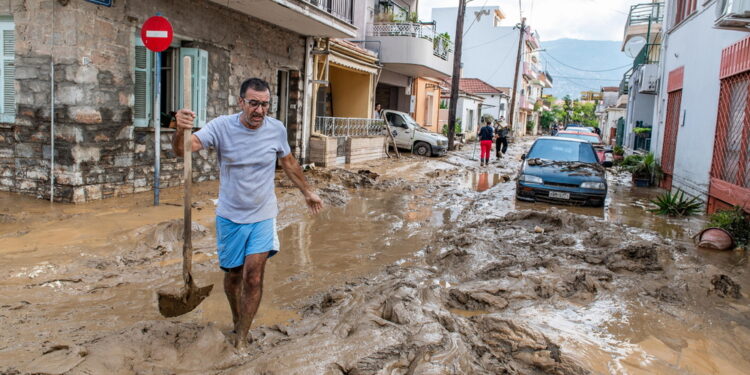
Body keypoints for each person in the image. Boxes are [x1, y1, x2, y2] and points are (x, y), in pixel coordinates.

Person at [172, 77, 324, 350]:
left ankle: (241, 337)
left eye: (265, 104)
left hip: (263, 214)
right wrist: (179, 129)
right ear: (241, 102)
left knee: (253, 276)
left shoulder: (276, 129)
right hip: (230, 216)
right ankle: (236, 317)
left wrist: (307, 192)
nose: (259, 111)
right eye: (253, 103)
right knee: (233, 277)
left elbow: (288, 162)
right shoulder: (221, 127)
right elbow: (184, 148)